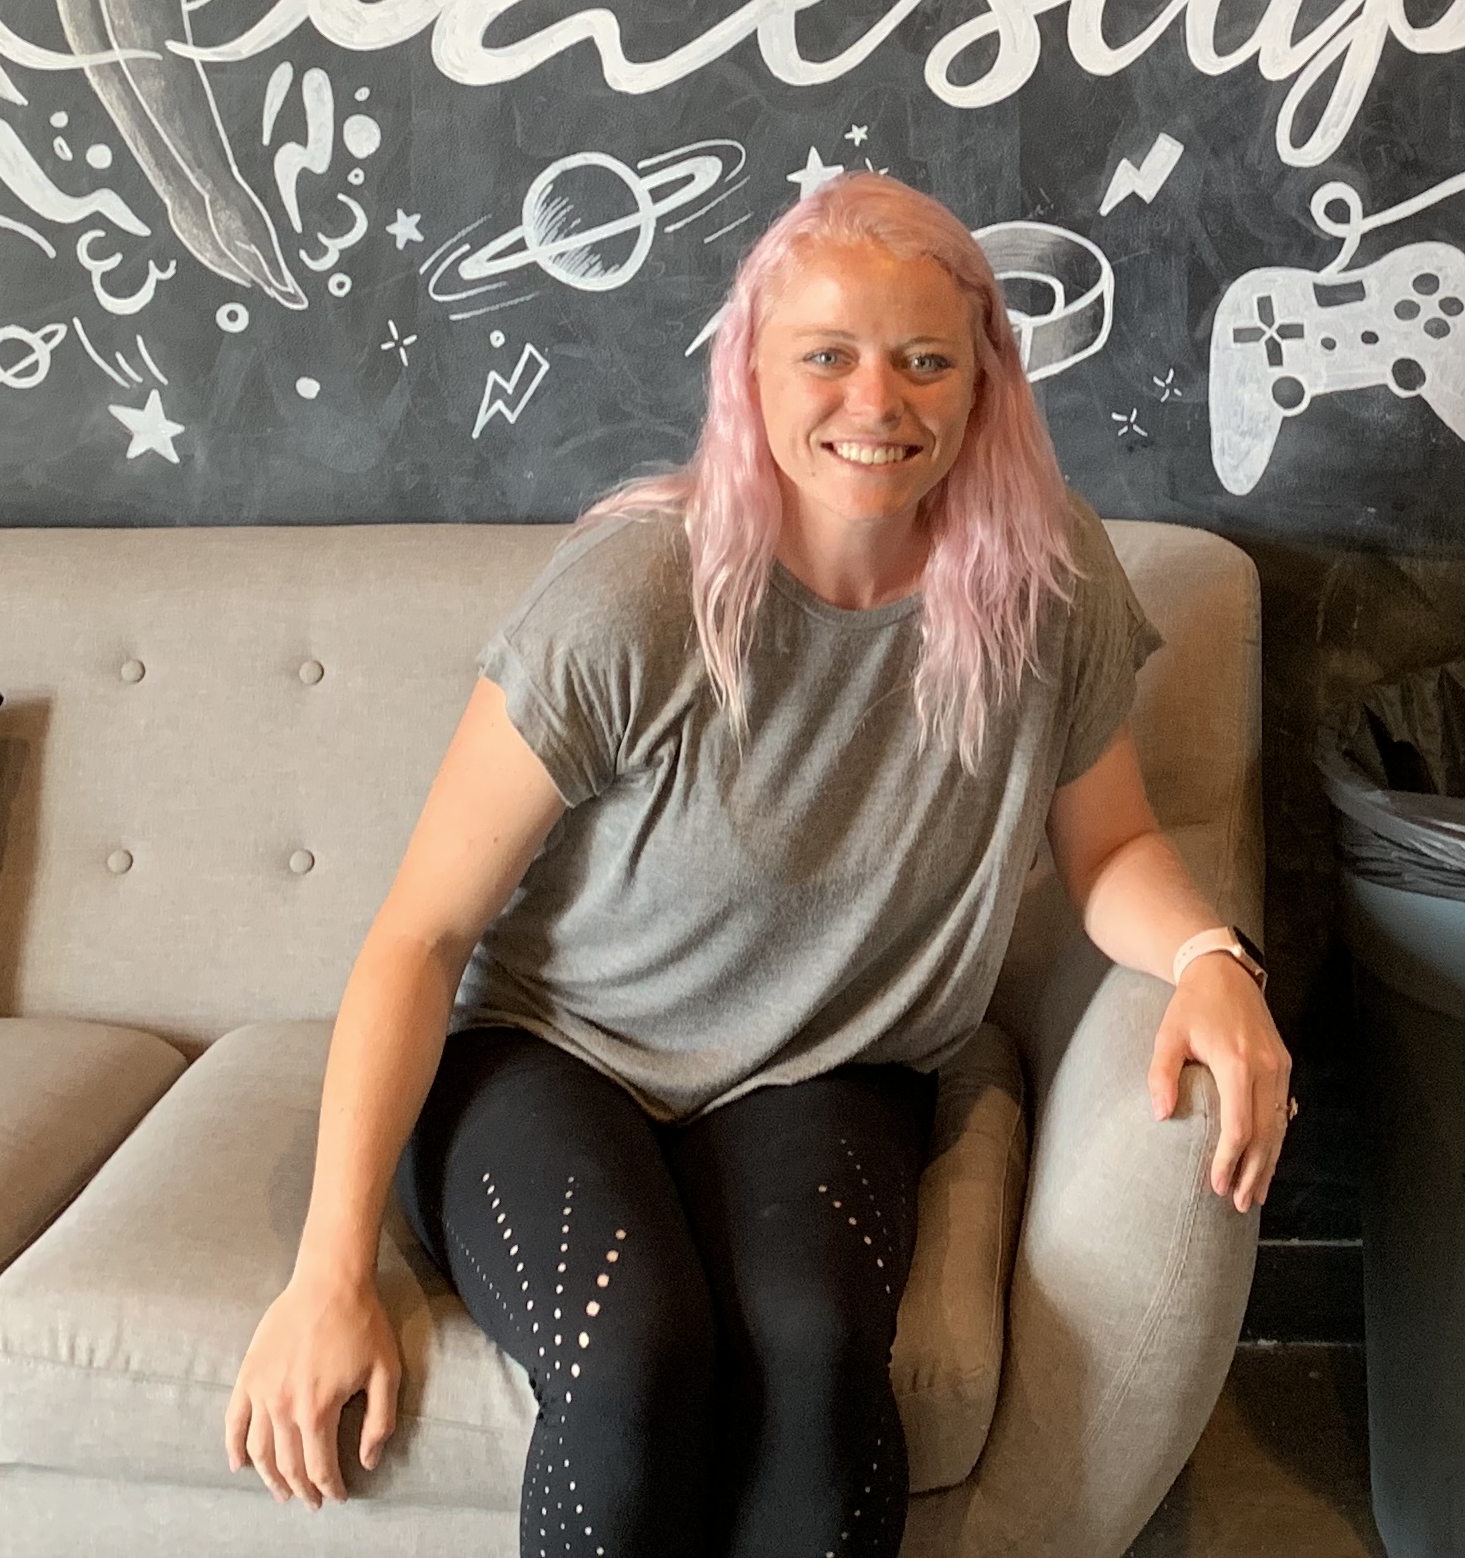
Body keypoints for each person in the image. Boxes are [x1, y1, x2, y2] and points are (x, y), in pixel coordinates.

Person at [225, 172, 1294, 1547]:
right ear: (751, 371)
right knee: (637, 1358)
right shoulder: (638, 593)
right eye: (827, 356)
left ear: (985, 381)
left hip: (827, 1062)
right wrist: (327, 1277)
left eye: (924, 360)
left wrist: (1212, 959)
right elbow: (419, 936)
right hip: (552, 1052)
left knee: (817, 1357)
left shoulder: (1046, 578)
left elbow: (1114, 844)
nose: (878, 402)